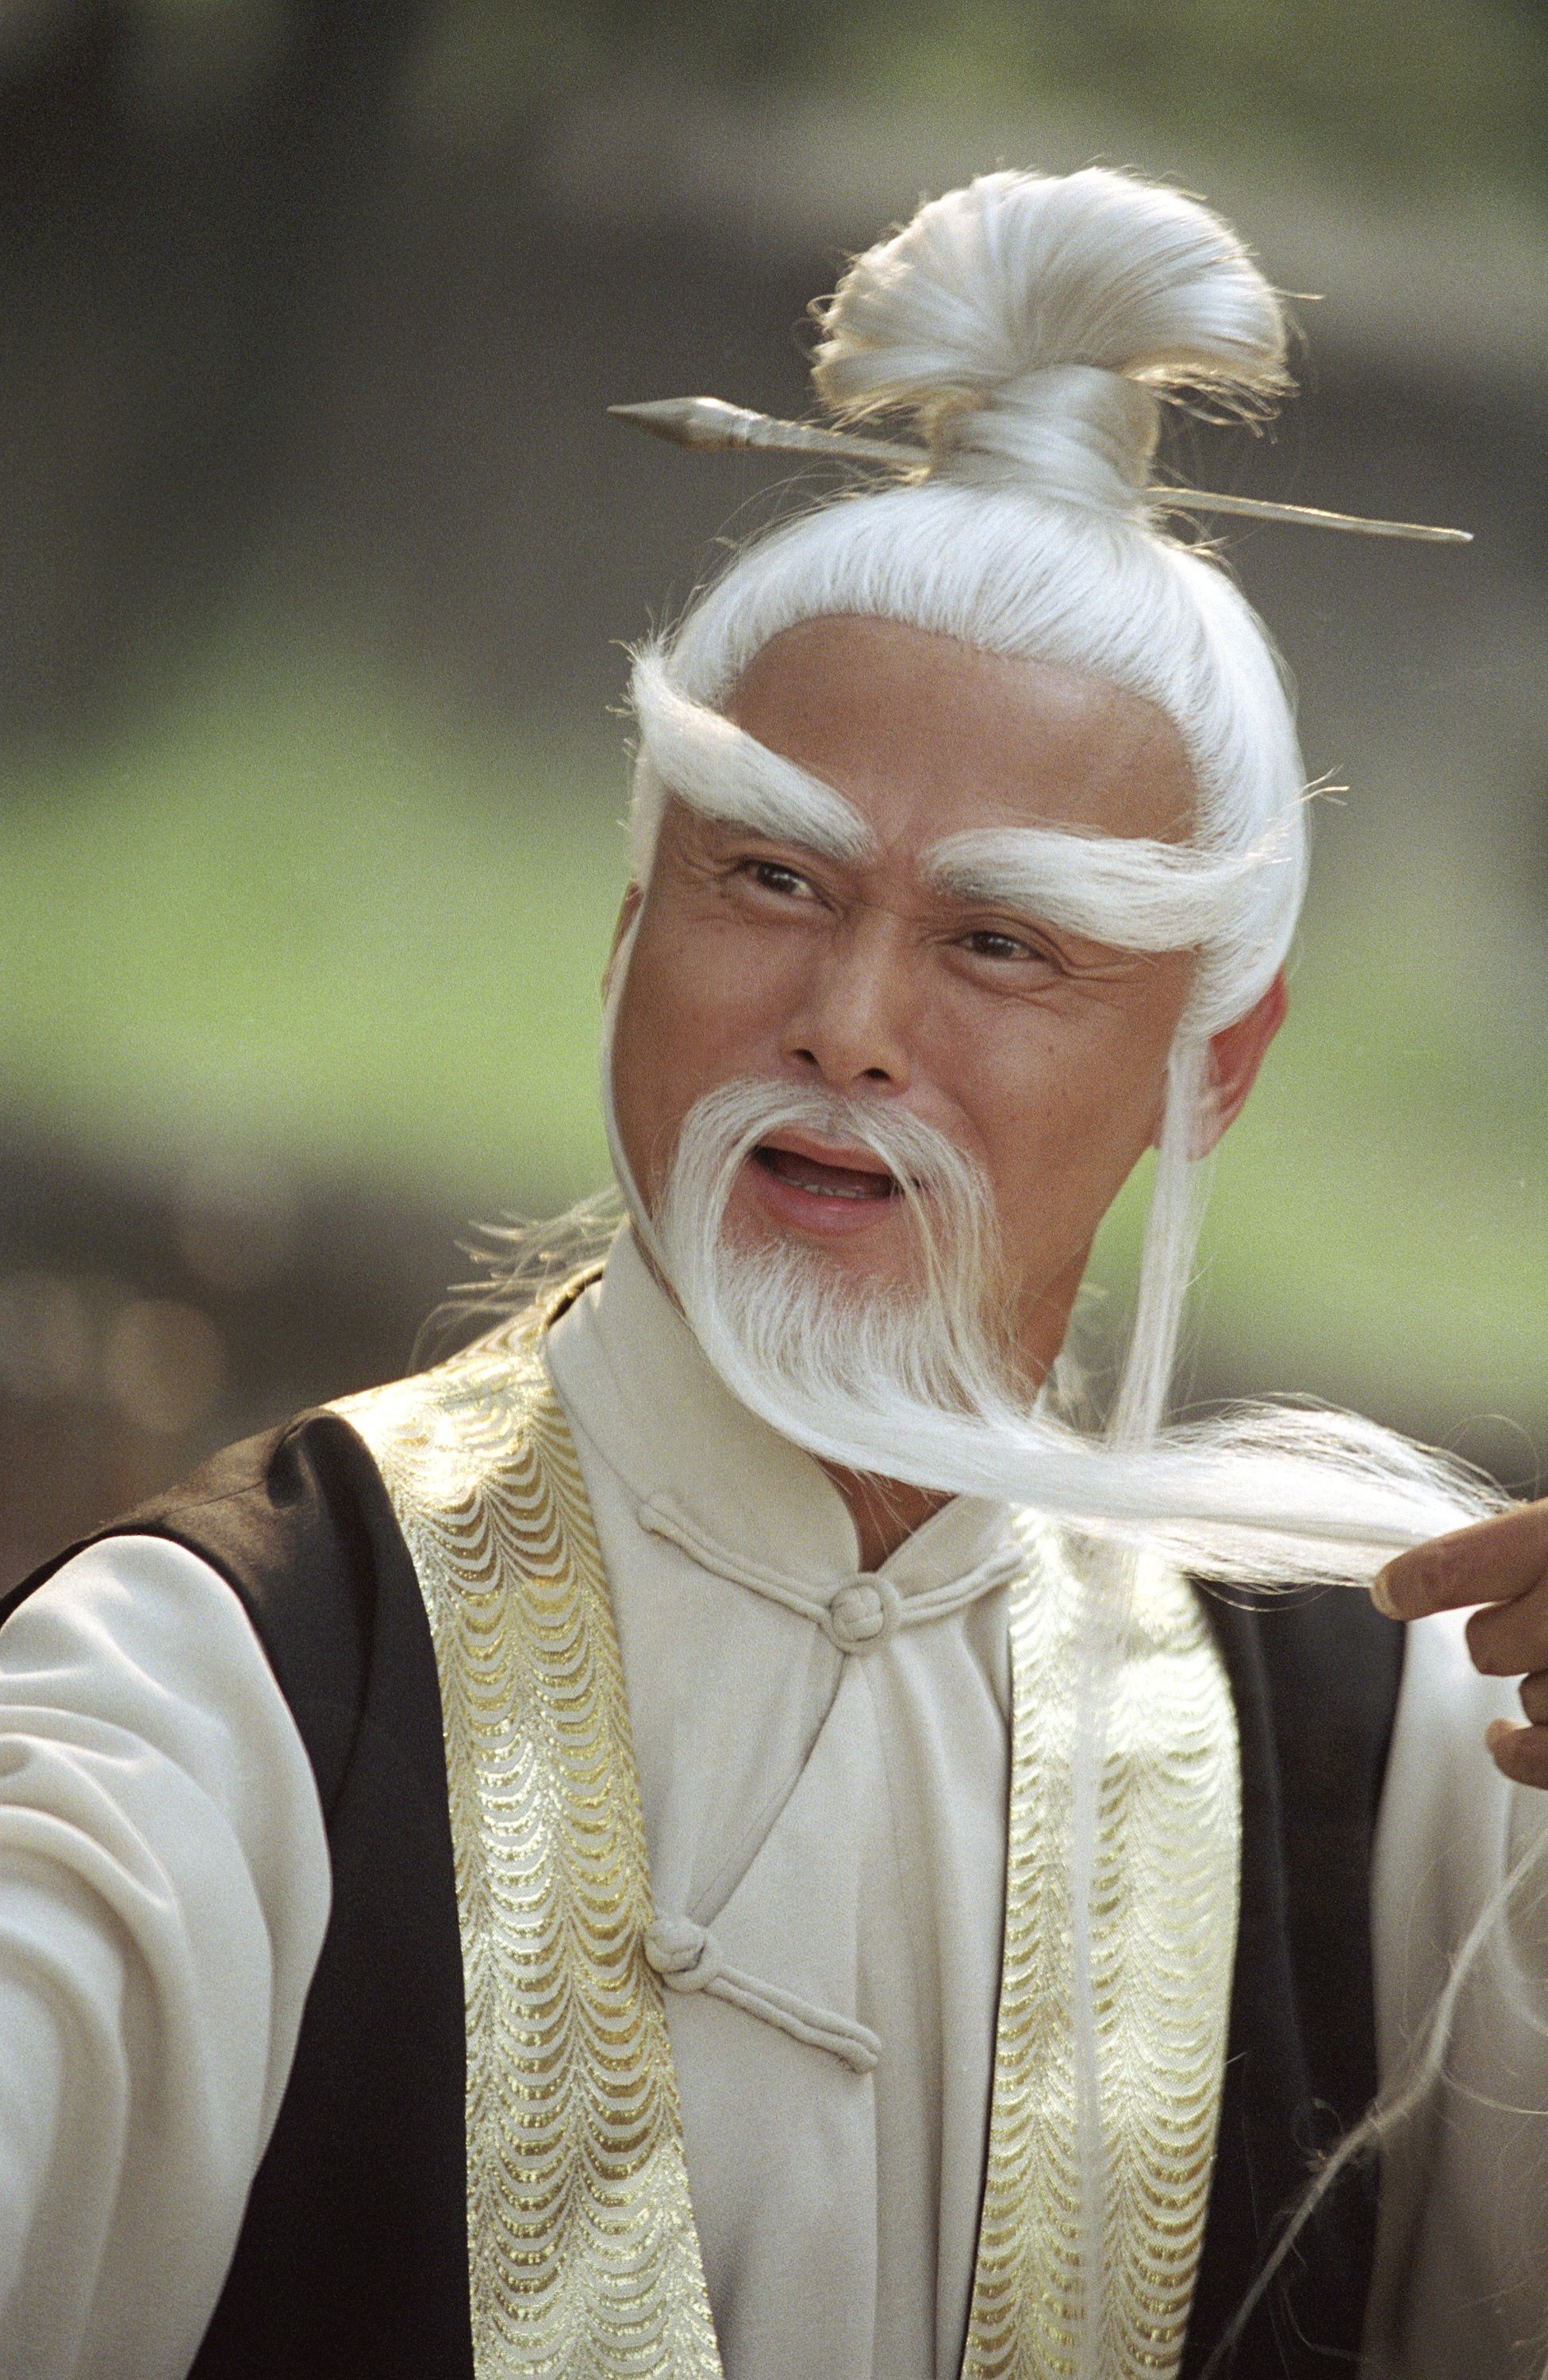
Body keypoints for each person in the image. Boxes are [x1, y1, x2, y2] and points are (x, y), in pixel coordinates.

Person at [0, 165, 1544, 2380]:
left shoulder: (1408, 1750)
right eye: (771, 880)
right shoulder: (222, 1690)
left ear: (1214, 1062)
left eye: (1000, 939)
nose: (849, 1024)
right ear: (628, 919)